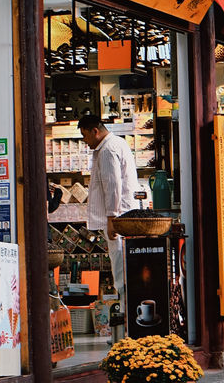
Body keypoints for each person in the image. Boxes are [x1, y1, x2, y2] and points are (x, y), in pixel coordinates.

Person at [78, 114, 139, 308]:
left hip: (119, 217)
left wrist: (112, 219)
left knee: (119, 261)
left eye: (85, 136)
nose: (85, 141)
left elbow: (112, 186)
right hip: (125, 214)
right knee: (123, 259)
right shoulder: (117, 143)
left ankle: (125, 304)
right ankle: (127, 301)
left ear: (95, 131)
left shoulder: (107, 150)